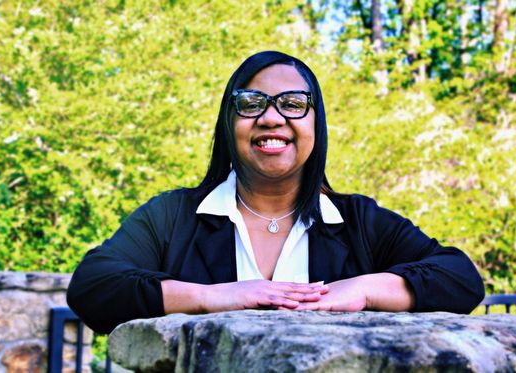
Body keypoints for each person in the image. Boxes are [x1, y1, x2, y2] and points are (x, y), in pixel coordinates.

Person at [67, 51, 485, 334]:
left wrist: (362, 289)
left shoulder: (358, 221)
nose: (271, 117)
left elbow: (460, 278)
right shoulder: (172, 216)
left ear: (315, 123)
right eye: (251, 103)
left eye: (292, 102)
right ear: (229, 123)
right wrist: (212, 298)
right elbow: (93, 287)